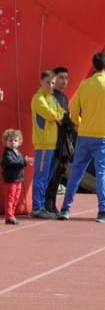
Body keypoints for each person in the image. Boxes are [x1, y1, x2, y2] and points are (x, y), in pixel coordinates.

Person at [58, 53, 105, 223]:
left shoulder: (84, 85)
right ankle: (103, 211)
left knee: (76, 172)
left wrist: (81, 124)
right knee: (102, 173)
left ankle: (65, 208)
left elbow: (73, 112)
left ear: (94, 67)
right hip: (102, 136)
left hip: (84, 135)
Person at [30, 70, 65, 219]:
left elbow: (61, 112)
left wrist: (57, 115)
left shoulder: (51, 98)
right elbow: (51, 115)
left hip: (52, 143)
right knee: (41, 176)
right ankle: (37, 207)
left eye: (52, 83)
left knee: (47, 176)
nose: (50, 85)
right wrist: (57, 116)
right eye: (47, 82)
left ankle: (42, 205)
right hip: (43, 143)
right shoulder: (38, 99)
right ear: (41, 82)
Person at [45, 66, 77, 214]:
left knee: (60, 171)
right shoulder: (52, 96)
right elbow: (61, 118)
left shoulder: (63, 97)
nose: (64, 81)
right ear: (54, 79)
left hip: (64, 140)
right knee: (52, 172)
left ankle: (51, 203)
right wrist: (73, 124)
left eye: (66, 78)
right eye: (61, 78)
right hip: (54, 140)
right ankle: (47, 203)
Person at [2, 129, 33, 224]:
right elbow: (11, 162)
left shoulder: (18, 152)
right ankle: (9, 216)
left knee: (16, 198)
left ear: (19, 142)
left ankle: (12, 215)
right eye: (10, 140)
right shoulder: (7, 153)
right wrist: (24, 161)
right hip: (11, 179)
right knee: (10, 198)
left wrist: (27, 160)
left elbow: (20, 162)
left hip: (18, 178)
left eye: (15, 141)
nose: (13, 143)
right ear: (5, 142)